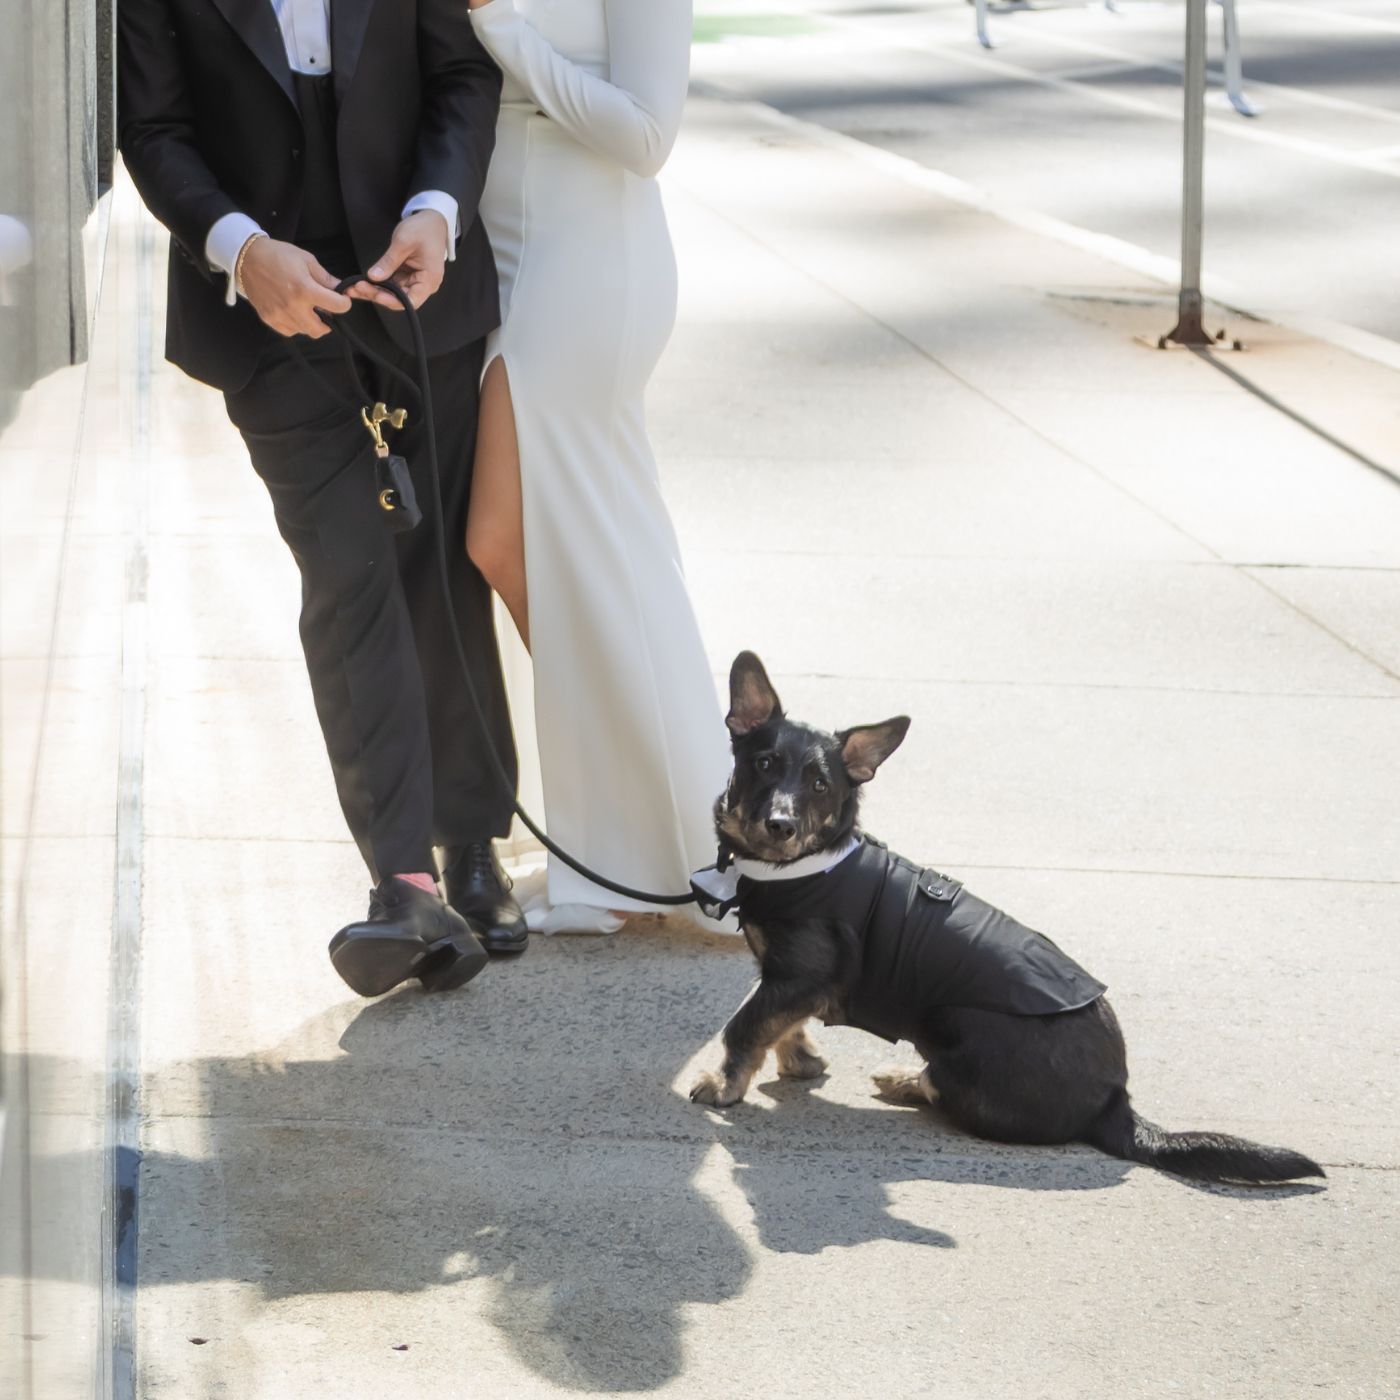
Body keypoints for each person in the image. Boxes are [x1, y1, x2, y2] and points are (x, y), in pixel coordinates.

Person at [117, 0, 532, 996]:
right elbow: (154, 126)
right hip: (264, 319)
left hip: (422, 298)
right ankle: (402, 877)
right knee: (348, 573)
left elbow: (461, 78)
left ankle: (469, 833)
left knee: (434, 566)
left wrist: (437, 209)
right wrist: (240, 248)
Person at [463, 0, 731, 933]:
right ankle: (632, 836)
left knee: (519, 545)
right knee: (533, 549)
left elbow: (648, 135)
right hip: (501, 250)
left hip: (588, 262)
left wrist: (503, 27)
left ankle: (634, 856)